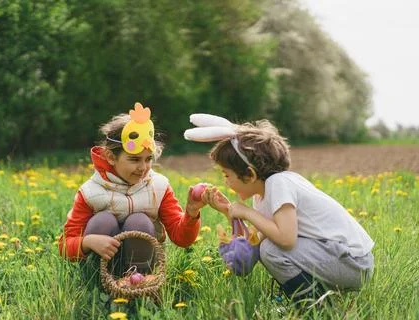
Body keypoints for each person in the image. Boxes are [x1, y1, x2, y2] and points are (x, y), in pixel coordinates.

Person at [184, 114, 374, 305]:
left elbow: (286, 239)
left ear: (249, 174)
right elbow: (253, 243)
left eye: (227, 174)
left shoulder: (278, 184)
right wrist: (229, 212)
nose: (225, 181)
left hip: (354, 263)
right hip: (339, 258)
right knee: (268, 247)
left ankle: (315, 308)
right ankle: (311, 300)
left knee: (272, 251)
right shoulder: (263, 194)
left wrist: (247, 213)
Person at [59, 102, 204, 277]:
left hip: (143, 265)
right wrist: (87, 242)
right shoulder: (90, 192)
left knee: (140, 221)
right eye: (134, 160)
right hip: (102, 265)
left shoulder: (159, 187)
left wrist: (191, 213)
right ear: (111, 157)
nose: (143, 167)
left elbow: (182, 239)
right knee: (103, 220)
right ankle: (99, 281)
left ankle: (139, 282)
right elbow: (65, 246)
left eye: (148, 159)